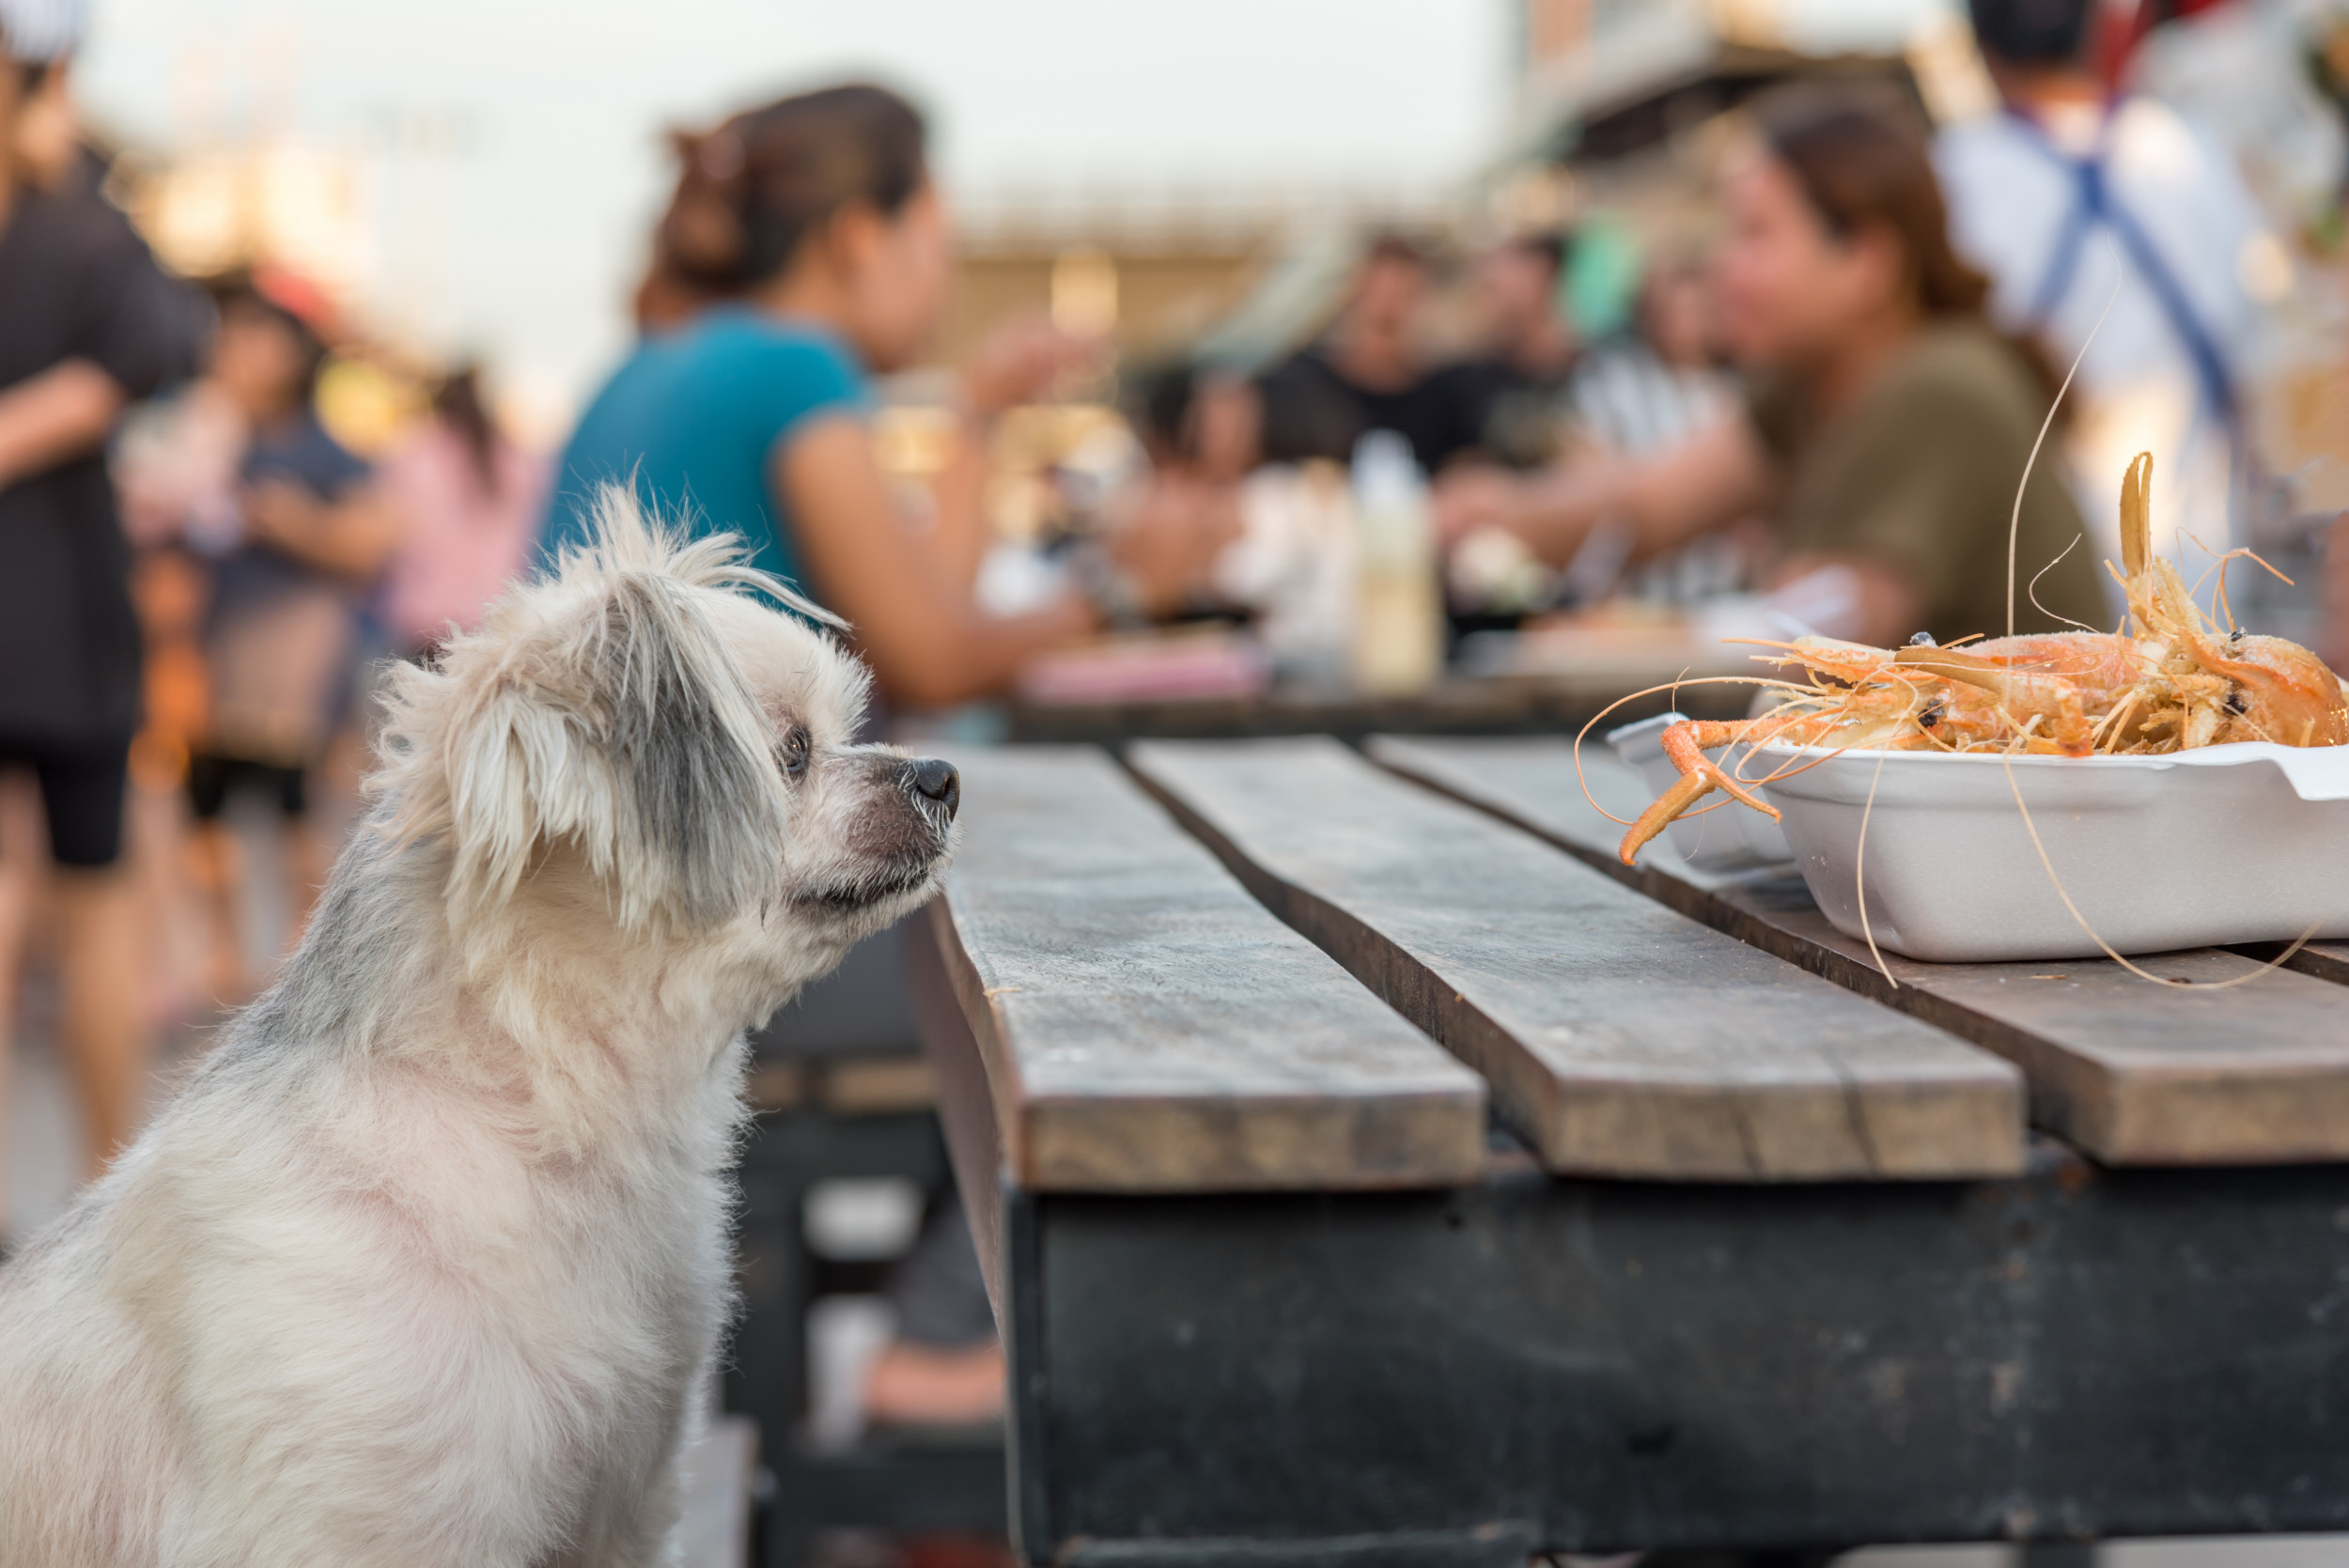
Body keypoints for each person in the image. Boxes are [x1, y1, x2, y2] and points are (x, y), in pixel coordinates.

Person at [543, 85, 1226, 713]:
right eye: (935, 236)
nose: (944, 276)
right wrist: (1124, 591)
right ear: (862, 240)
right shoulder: (798, 366)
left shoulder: (646, 364)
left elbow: (927, 611)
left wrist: (976, 414)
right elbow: (929, 664)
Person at [1435, 86, 2108, 650]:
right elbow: (1646, 507)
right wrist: (1490, 510)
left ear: (1866, 262)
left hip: (2029, 792)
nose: (1722, 267)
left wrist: (1608, 637)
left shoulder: (1939, 385)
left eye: (1754, 233)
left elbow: (1829, 628)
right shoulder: (1808, 387)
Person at [0, 0, 201, 1250]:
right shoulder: (89, 226)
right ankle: (109, 1213)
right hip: (65, 615)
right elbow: (136, 363)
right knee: (93, 902)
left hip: (55, 608)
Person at [121, 272, 401, 1002]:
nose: (241, 352)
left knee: (292, 812)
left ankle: (301, 957)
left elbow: (374, 541)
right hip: (201, 667)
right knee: (202, 813)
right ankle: (222, 958)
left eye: (259, 337)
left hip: (294, 673)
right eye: (233, 335)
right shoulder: (201, 434)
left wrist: (292, 523)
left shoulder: (324, 448)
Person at [1936, 0, 2272, 575]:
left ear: (1977, 47)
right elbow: (2264, 342)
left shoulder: (1954, 173)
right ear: (2095, 31)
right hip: (2200, 575)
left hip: (2030, 578)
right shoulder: (2186, 151)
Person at [1254, 234, 1480, 475]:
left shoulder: (1445, 399)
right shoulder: (1304, 386)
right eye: (1380, 295)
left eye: (1404, 296)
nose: (1390, 309)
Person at [378, 364, 550, 656]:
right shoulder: (518, 461)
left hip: (427, 623)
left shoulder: (415, 456)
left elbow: (391, 537)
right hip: (497, 620)